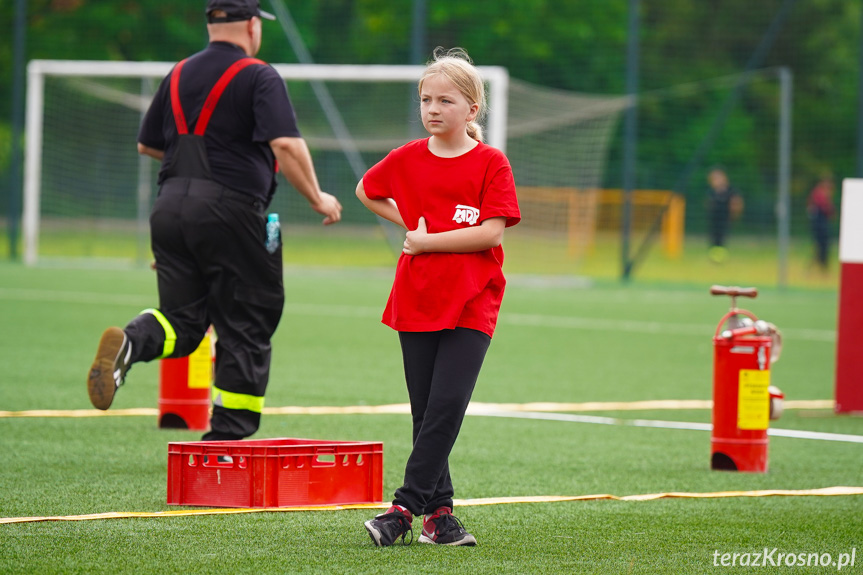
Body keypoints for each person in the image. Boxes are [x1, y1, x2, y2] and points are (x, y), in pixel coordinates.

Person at [86, 0, 342, 443]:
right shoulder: (259, 75)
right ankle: (224, 444)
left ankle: (132, 340)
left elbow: (148, 146)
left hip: (170, 210)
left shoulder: (178, 73)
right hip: (230, 212)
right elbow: (286, 145)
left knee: (182, 323)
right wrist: (319, 198)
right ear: (249, 25)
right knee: (247, 321)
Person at [356, 47, 520, 547]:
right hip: (417, 298)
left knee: (446, 406)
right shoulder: (407, 157)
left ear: (472, 110)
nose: (432, 109)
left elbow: (492, 234)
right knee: (426, 412)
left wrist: (427, 240)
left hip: (472, 303)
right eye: (426, 99)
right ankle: (441, 518)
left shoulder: (491, 162)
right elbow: (366, 188)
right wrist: (409, 223)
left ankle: (403, 510)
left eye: (445, 100)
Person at [705, 166, 743, 263]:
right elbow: (708, 204)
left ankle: (720, 257)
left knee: (722, 238)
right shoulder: (712, 192)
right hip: (714, 219)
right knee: (713, 238)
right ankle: (714, 256)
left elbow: (736, 203)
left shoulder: (730, 190)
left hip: (725, 219)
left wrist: (735, 214)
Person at [807, 173, 836, 272]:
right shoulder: (820, 193)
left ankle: (820, 267)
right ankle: (819, 267)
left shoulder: (822, 193)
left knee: (822, 246)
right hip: (819, 224)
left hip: (821, 224)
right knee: (820, 247)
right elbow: (826, 209)